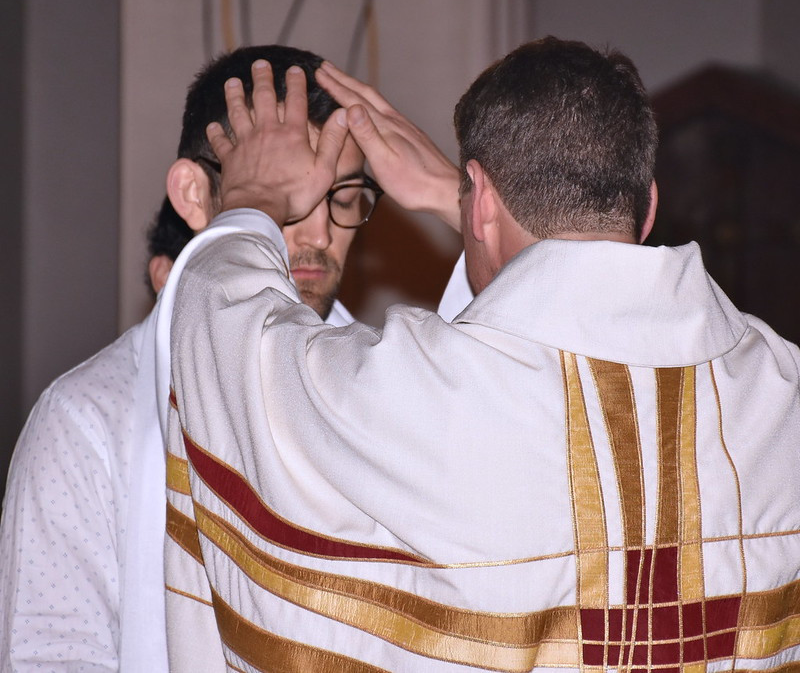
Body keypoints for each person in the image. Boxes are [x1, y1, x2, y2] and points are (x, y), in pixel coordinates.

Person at [164, 38, 800, 671]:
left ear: (484, 200)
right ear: (651, 204)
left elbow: (231, 345)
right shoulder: (781, 390)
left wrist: (253, 201)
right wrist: (472, 204)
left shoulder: (415, 398)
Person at [0, 45, 386, 671]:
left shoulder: (383, 382)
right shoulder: (88, 422)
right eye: (284, 195)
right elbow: (52, 654)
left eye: (341, 197)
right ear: (194, 194)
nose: (319, 234)